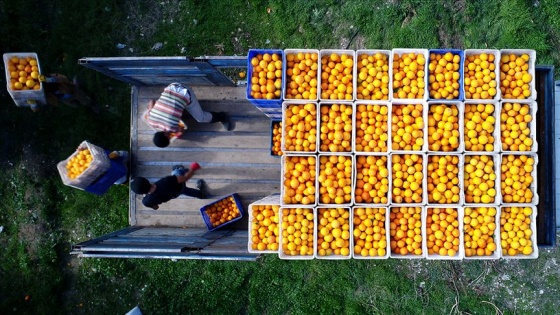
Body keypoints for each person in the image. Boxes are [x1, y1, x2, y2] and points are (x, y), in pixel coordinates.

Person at [144, 83, 233, 148]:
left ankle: (222, 116)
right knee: (175, 110)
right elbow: (152, 101)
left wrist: (175, 132)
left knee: (201, 118)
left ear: (168, 137)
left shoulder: (172, 129)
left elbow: (181, 130)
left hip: (186, 93)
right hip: (172, 87)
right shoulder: (150, 120)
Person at [130, 162, 206, 210]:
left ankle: (201, 195)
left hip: (174, 194)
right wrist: (193, 169)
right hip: (179, 186)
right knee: (176, 171)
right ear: (146, 180)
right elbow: (185, 178)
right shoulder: (166, 181)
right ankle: (180, 169)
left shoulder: (146, 201)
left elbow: (156, 207)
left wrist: (146, 197)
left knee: (185, 191)